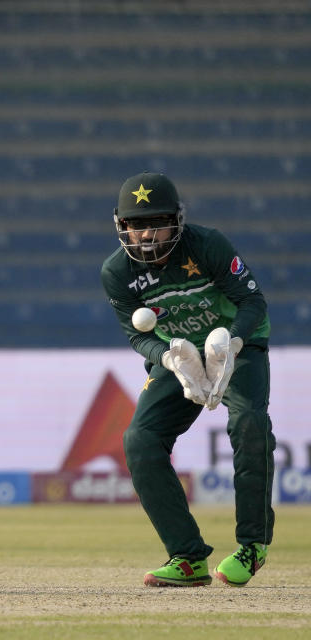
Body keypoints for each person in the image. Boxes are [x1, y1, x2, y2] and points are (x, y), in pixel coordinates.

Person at [100, 172, 274, 588]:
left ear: (176, 220)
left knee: (249, 422)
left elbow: (252, 301)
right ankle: (187, 557)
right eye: (136, 225)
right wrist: (170, 360)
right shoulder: (117, 272)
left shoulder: (207, 245)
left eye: (155, 222)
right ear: (122, 227)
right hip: (179, 354)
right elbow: (135, 334)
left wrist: (231, 343)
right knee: (139, 440)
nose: (146, 234)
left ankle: (253, 544)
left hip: (235, 344)